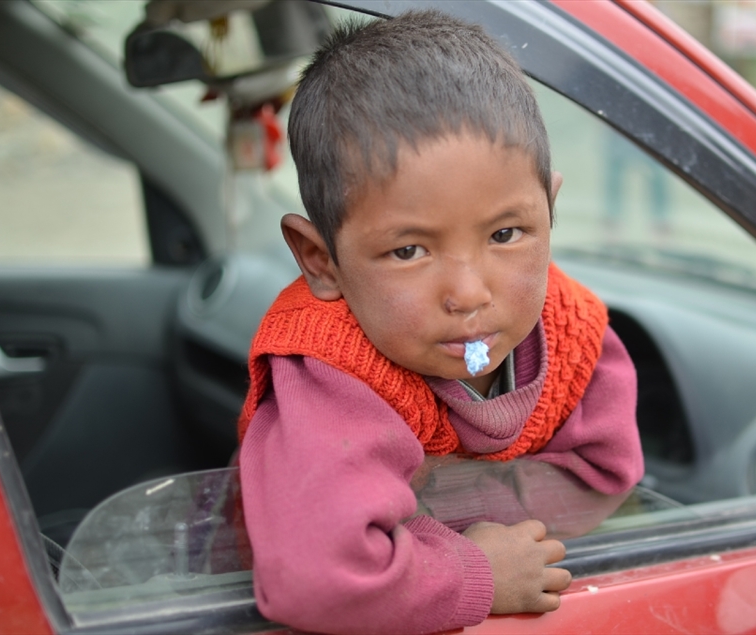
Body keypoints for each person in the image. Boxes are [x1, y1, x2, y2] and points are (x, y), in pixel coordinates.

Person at [237, 10, 644, 635]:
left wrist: (420, 524)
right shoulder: (332, 370)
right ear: (322, 261)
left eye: (506, 234)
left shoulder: (575, 332)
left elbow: (606, 475)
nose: (469, 293)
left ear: (550, 210)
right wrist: (476, 569)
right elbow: (317, 578)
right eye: (409, 251)